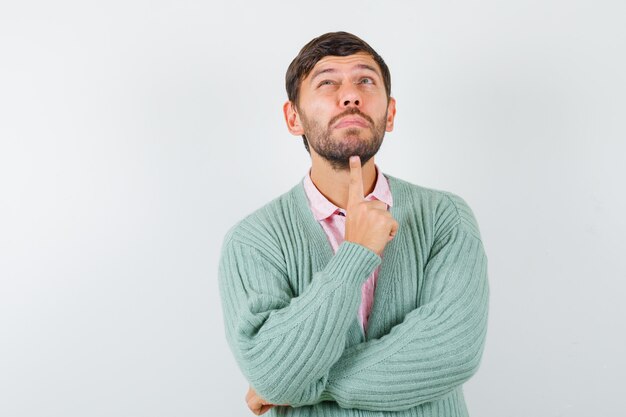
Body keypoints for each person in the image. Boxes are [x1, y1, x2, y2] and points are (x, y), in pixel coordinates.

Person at [218, 31, 489, 416]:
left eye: (365, 81)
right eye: (327, 82)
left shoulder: (445, 216)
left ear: (389, 113)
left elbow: (453, 350)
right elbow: (268, 369)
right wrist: (356, 254)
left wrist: (303, 385)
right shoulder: (252, 240)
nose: (350, 96)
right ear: (293, 118)